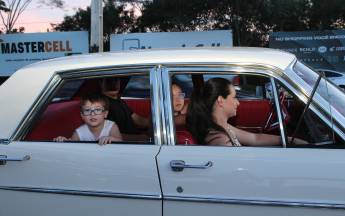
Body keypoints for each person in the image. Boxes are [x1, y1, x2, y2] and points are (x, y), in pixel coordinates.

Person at [185, 78, 307, 146]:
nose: (238, 103)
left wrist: (289, 140)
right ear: (220, 101)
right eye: (234, 98)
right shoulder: (220, 139)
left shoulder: (223, 128)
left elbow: (255, 139)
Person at [53, 92, 123, 145]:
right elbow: (71, 146)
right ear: (82, 115)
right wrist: (62, 140)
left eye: (97, 110)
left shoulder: (111, 126)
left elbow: (121, 141)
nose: (92, 114)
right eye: (87, 110)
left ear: (105, 114)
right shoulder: (79, 132)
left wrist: (111, 138)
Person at [100, 77, 150, 141]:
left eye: (116, 80)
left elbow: (137, 119)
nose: (114, 83)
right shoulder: (102, 105)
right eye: (109, 81)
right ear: (101, 84)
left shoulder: (120, 101)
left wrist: (154, 123)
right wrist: (139, 138)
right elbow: (107, 133)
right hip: (124, 144)